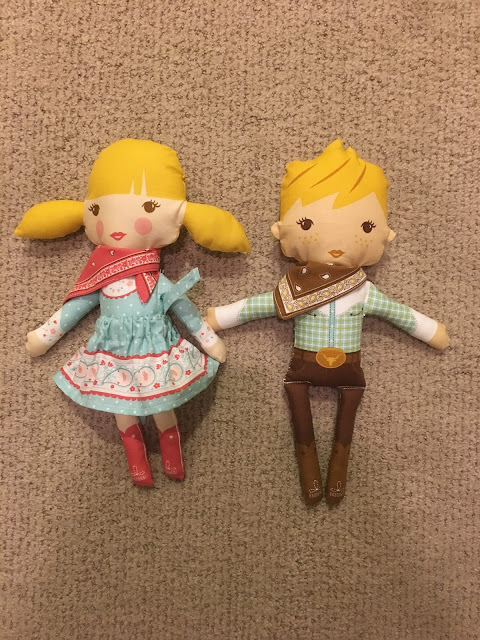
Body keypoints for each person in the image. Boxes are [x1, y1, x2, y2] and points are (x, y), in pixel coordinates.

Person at [207, 139, 450, 506]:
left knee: (346, 424)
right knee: (301, 422)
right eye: (306, 223)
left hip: (348, 370)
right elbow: (261, 305)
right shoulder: (294, 287)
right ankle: (311, 479)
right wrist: (222, 317)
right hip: (304, 368)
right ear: (283, 230)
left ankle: (337, 478)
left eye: (366, 226)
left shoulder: (363, 291)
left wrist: (430, 330)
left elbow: (398, 312)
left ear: (385, 234)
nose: (337, 243)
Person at [16, 139, 250, 486]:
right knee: (122, 409)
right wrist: (46, 334)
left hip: (157, 350)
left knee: (162, 405)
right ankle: (137, 463)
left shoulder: (157, 280)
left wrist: (206, 338)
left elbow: (183, 309)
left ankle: (172, 457)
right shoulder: (101, 277)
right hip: (113, 353)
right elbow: (76, 307)